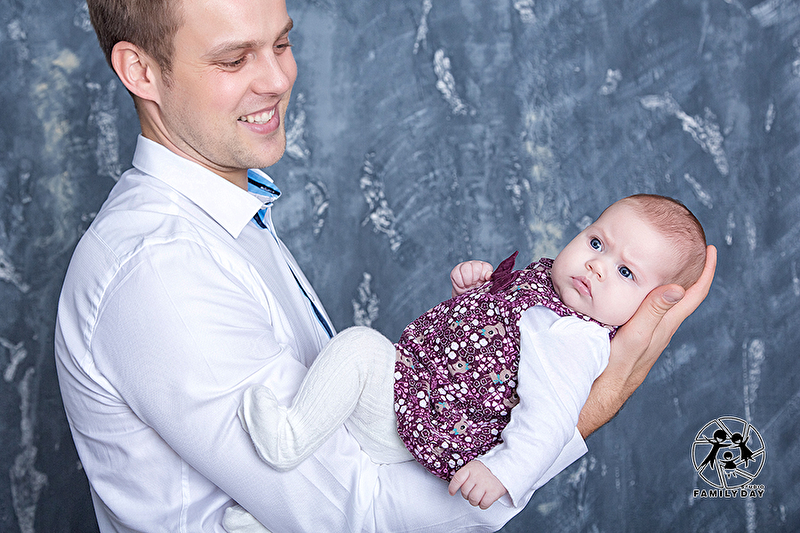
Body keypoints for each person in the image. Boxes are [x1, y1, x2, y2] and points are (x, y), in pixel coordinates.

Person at [53, 0, 717, 531]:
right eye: (234, 59)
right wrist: (587, 408)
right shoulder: (159, 271)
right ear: (140, 70)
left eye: (281, 44)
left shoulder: (226, 221)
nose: (279, 79)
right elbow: (362, 517)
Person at [225, 195, 706, 531]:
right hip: (427, 398)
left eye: (625, 272)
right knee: (343, 442)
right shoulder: (548, 292)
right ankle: (274, 521)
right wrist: (473, 296)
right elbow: (487, 350)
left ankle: (286, 440)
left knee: (359, 350)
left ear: (647, 308)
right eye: (597, 243)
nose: (597, 265)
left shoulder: (574, 339)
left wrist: (505, 472)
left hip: (433, 420)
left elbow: (551, 418)